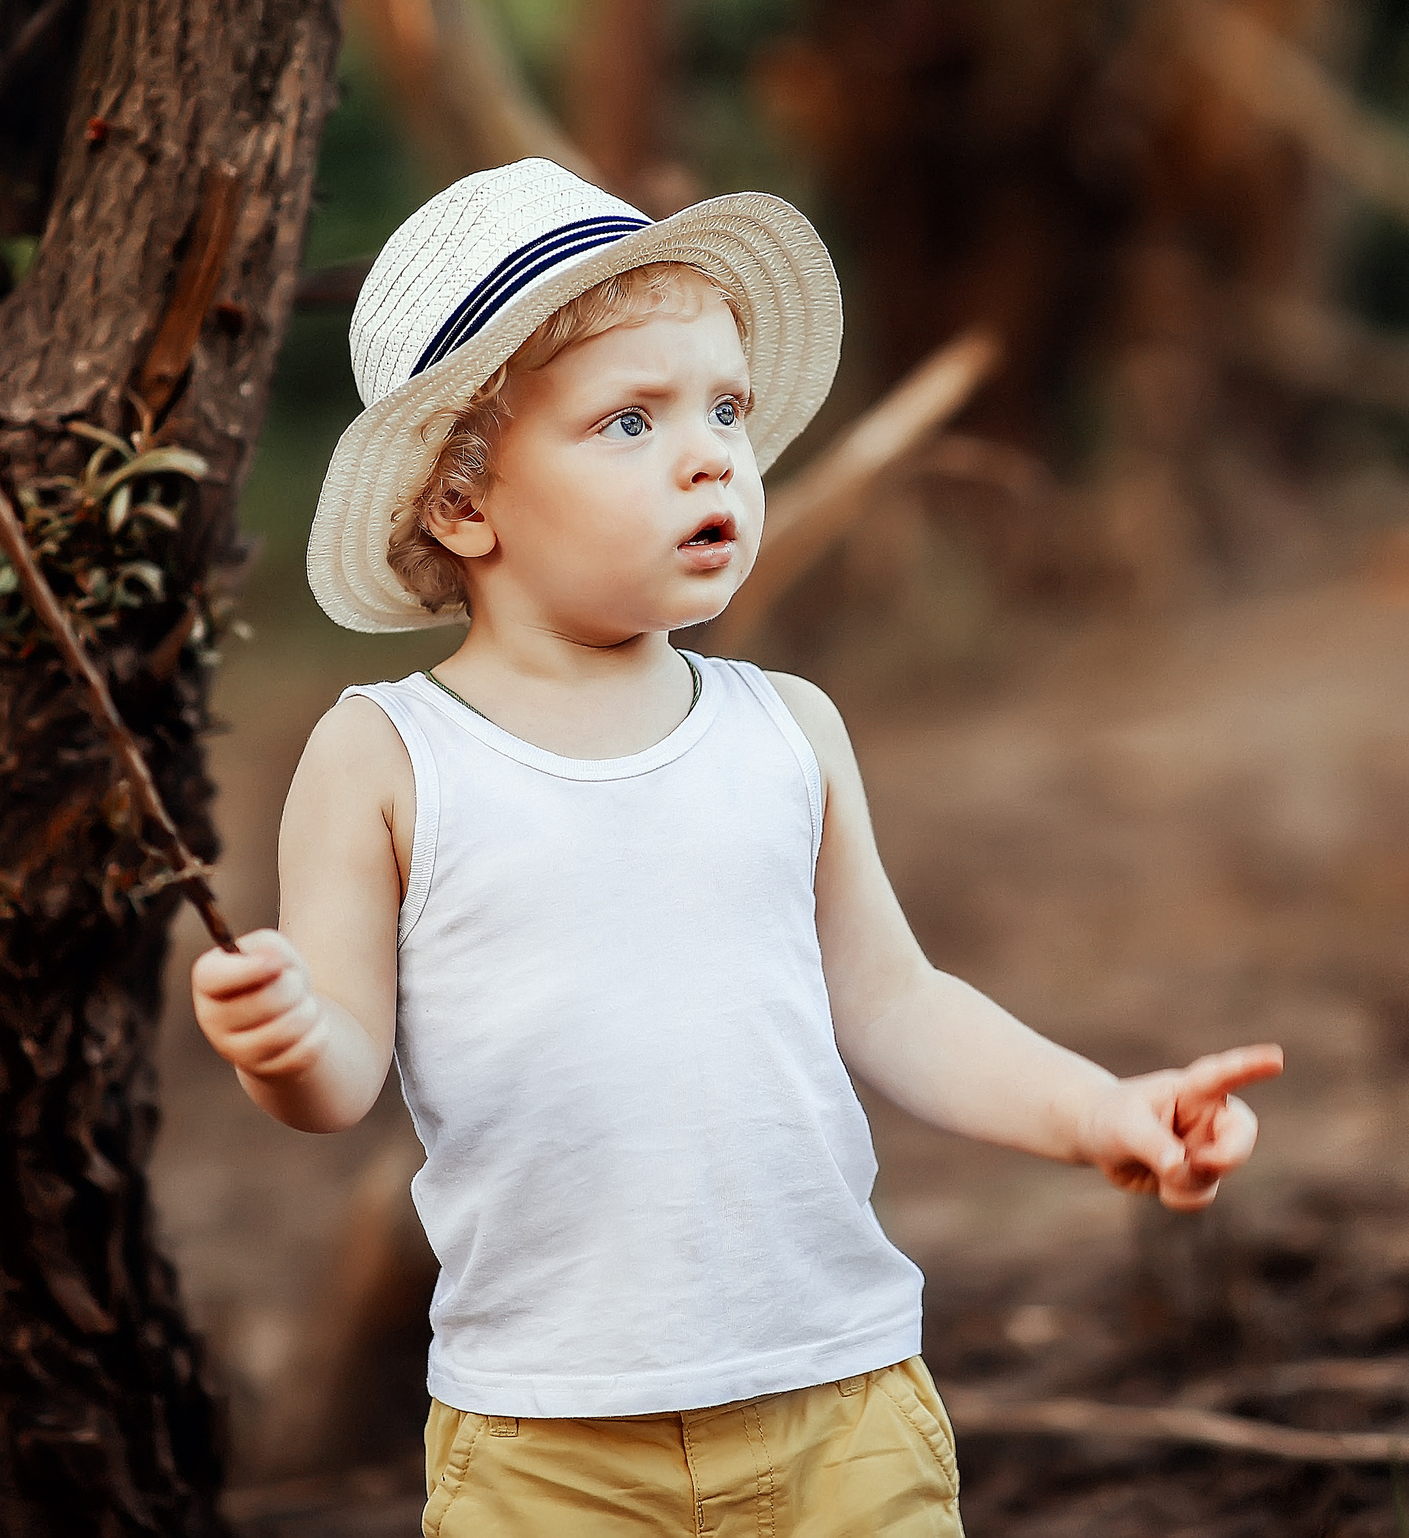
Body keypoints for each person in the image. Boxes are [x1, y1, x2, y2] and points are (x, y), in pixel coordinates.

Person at [191, 158, 1283, 1536]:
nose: (712, 454)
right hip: (547, 1446)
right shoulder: (389, 755)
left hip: (838, 1405)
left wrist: (1102, 1112)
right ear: (464, 502)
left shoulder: (787, 733)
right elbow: (341, 1068)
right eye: (630, 422)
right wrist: (282, 1038)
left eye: (725, 409)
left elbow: (894, 1001)